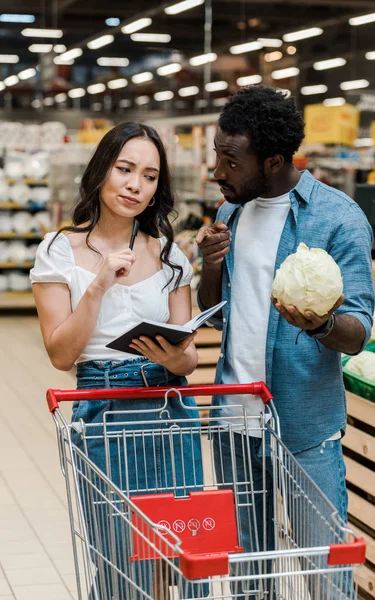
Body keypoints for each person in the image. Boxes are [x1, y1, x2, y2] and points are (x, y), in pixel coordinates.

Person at [196, 86, 374, 597]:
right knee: (250, 578)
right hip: (233, 422)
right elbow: (218, 317)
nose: (217, 172)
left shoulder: (337, 218)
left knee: (324, 579)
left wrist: (317, 324)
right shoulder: (231, 212)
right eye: (216, 155)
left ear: (274, 160)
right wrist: (210, 269)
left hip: (304, 428)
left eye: (230, 161)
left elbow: (359, 332)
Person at [30, 122, 203, 599]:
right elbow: (61, 353)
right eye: (125, 169)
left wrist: (178, 358)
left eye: (149, 176)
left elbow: (189, 358)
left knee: (184, 557)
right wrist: (101, 282)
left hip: (169, 410)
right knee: (120, 560)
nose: (135, 184)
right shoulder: (57, 252)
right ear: (101, 172)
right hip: (104, 412)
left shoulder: (170, 257)